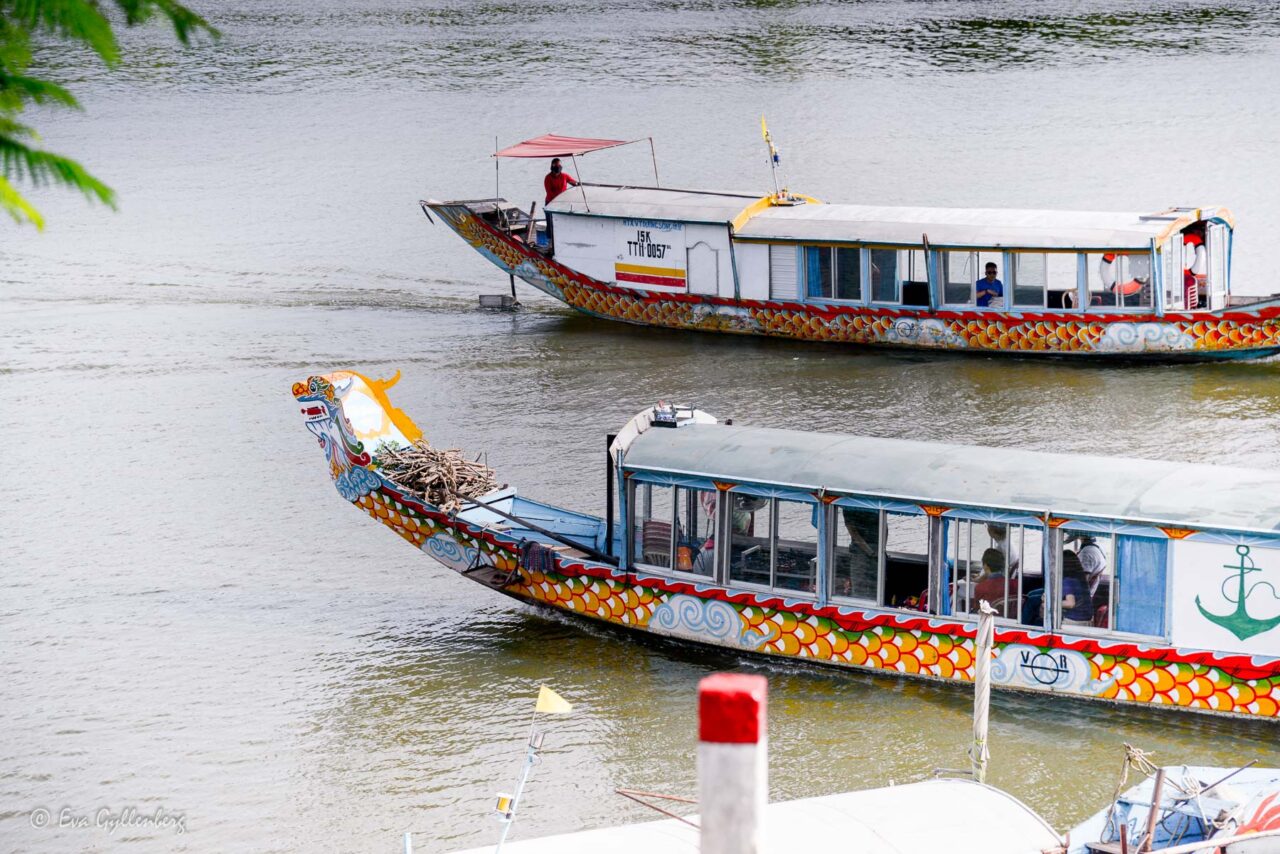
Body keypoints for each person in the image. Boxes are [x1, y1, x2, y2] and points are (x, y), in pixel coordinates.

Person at [974, 548, 1019, 618]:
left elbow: (978, 611)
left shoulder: (980, 588)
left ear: (985, 566)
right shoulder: (1016, 584)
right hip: (1010, 620)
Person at [1061, 550, 1094, 626]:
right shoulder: (1080, 578)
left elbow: (1070, 603)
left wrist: (1052, 603)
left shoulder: (1068, 580)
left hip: (1075, 621)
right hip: (1087, 620)